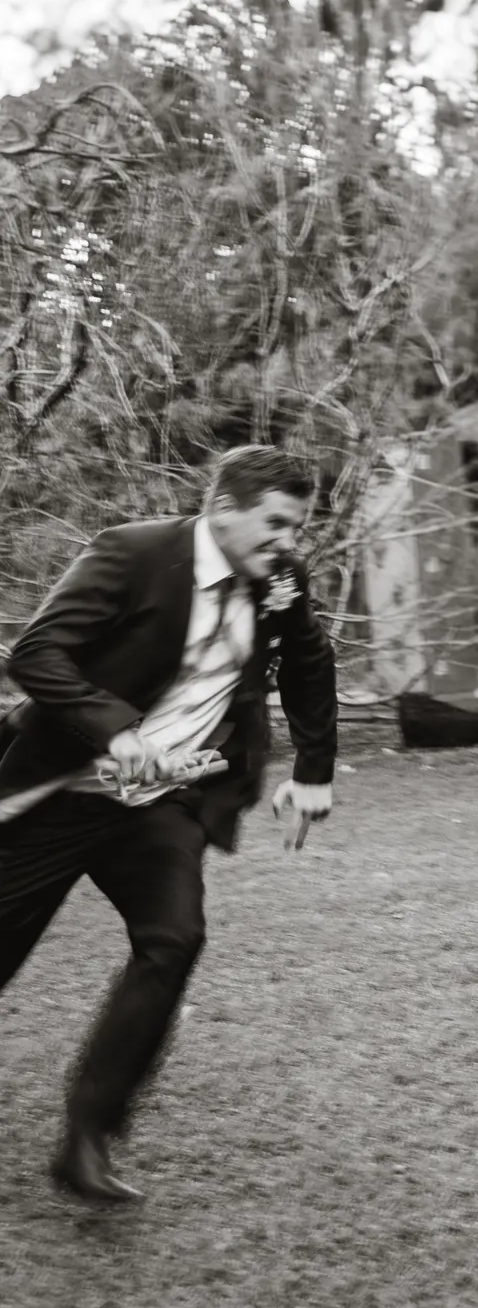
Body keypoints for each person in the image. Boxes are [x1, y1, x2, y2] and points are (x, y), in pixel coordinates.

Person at [0, 446, 337, 1205]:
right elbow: (38, 654)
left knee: (174, 937)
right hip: (65, 790)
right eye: (275, 524)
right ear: (223, 508)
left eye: (297, 528)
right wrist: (117, 730)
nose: (288, 544)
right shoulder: (134, 553)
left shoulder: (279, 577)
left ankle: (89, 1135)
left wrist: (314, 770)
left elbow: (308, 662)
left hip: (164, 805)